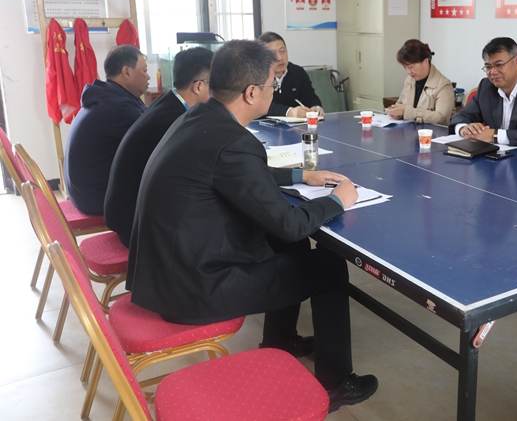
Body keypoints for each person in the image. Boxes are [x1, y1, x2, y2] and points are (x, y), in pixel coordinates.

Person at [126, 39, 378, 411]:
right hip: (194, 290)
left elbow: (235, 173)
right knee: (326, 266)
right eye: (272, 85)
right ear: (251, 93)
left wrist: (299, 175)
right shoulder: (234, 142)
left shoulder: (197, 118)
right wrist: (338, 200)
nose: (274, 91)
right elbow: (290, 224)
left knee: (289, 247)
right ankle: (336, 383)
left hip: (167, 272)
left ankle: (280, 342)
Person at [104, 47, 213, 247]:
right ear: (198, 86)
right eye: (217, 85)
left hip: (126, 213)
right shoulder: (176, 120)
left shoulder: (169, 102)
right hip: (135, 227)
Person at [63, 45, 149, 215]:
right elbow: (155, 142)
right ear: (126, 72)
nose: (148, 76)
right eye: (144, 70)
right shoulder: (118, 107)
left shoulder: (110, 97)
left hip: (84, 193)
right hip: (96, 198)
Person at [385, 39, 454, 125]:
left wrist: (407, 112)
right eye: (405, 67)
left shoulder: (443, 85)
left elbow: (441, 118)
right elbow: (400, 104)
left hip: (432, 132)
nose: (408, 72)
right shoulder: (409, 80)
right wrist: (396, 112)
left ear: (425, 62)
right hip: (409, 130)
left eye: (410, 67)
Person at [258, 31, 324, 118]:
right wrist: (288, 111)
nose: (280, 58)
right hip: (263, 123)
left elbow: (309, 96)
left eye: (282, 51)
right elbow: (258, 105)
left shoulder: (297, 72)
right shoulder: (256, 76)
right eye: (273, 54)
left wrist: (316, 107)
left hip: (296, 124)